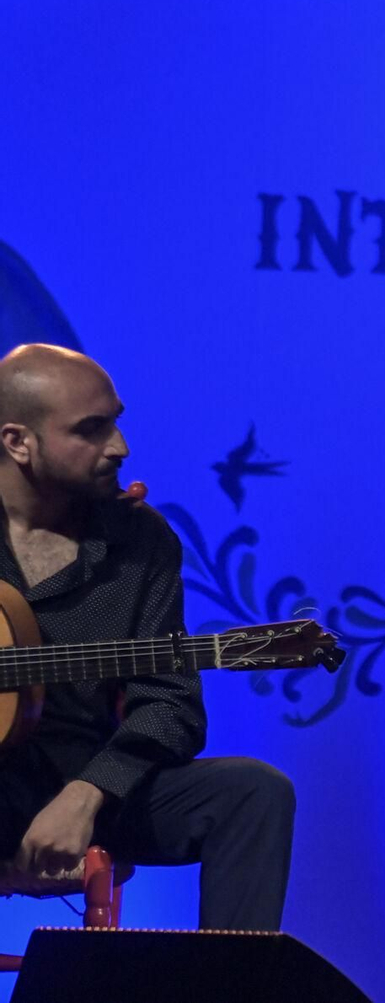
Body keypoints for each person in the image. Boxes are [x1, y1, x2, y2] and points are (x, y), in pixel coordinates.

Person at [0, 343, 295, 930]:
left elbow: (170, 705)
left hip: (85, 790)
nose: (121, 447)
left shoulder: (141, 541)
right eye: (93, 430)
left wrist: (86, 795)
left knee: (254, 795)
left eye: (117, 421)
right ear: (18, 442)